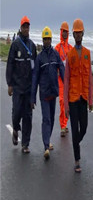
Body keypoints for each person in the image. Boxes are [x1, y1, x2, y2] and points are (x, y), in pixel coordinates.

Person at [63, 19, 93, 172]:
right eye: (76, 33)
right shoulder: (70, 55)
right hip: (73, 98)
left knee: (84, 128)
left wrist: (91, 99)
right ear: (73, 35)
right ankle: (77, 160)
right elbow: (66, 80)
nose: (78, 35)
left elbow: (90, 78)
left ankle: (76, 142)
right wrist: (66, 105)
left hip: (84, 98)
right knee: (74, 129)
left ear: (83, 33)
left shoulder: (87, 53)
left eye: (80, 32)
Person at [31, 27, 65, 159]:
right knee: (46, 119)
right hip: (44, 94)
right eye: (44, 39)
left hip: (53, 93)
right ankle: (46, 146)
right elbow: (35, 78)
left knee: (51, 119)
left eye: (48, 39)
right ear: (42, 40)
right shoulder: (39, 58)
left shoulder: (56, 54)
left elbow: (62, 70)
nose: (46, 41)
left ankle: (48, 140)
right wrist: (32, 98)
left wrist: (66, 88)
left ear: (51, 40)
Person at [6, 16, 37, 153]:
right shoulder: (15, 45)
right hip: (17, 87)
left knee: (28, 116)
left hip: (29, 87)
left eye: (27, 26)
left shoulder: (32, 46)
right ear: (21, 28)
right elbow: (10, 64)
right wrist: (10, 84)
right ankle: (15, 129)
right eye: (24, 26)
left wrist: (35, 88)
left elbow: (35, 69)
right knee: (16, 113)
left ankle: (25, 144)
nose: (26, 28)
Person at [55, 21, 73, 137]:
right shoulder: (57, 48)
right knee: (62, 102)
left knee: (68, 103)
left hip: (69, 80)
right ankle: (62, 126)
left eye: (66, 32)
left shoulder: (71, 49)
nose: (65, 34)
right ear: (61, 32)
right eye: (63, 32)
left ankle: (65, 123)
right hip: (60, 80)